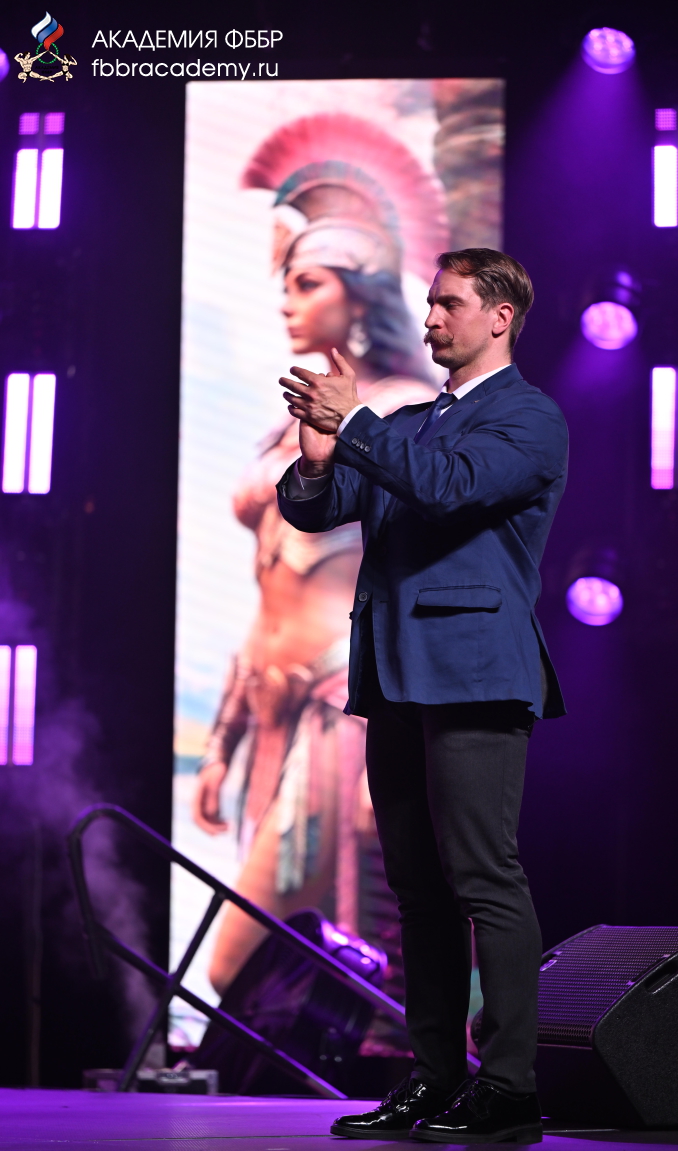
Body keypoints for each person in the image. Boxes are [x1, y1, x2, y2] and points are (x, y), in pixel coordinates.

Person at [277, 247, 568, 1144]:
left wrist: (356, 423)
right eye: (431, 304)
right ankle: (437, 1077)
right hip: (396, 675)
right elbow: (317, 507)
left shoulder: (528, 418)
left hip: (475, 674)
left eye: (449, 304)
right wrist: (319, 457)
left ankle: (509, 1086)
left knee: (483, 876)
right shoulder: (406, 424)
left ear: (501, 317)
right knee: (417, 888)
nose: (432, 318)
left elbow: (451, 489)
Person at [192, 113, 446, 998]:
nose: (287, 300)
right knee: (294, 977)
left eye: (308, 283)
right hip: (272, 721)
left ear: (359, 295)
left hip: (345, 716)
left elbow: (423, 574)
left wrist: (401, 733)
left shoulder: (404, 407)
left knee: (241, 962)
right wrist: (222, 742)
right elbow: (266, 595)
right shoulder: (283, 427)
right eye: (286, 283)